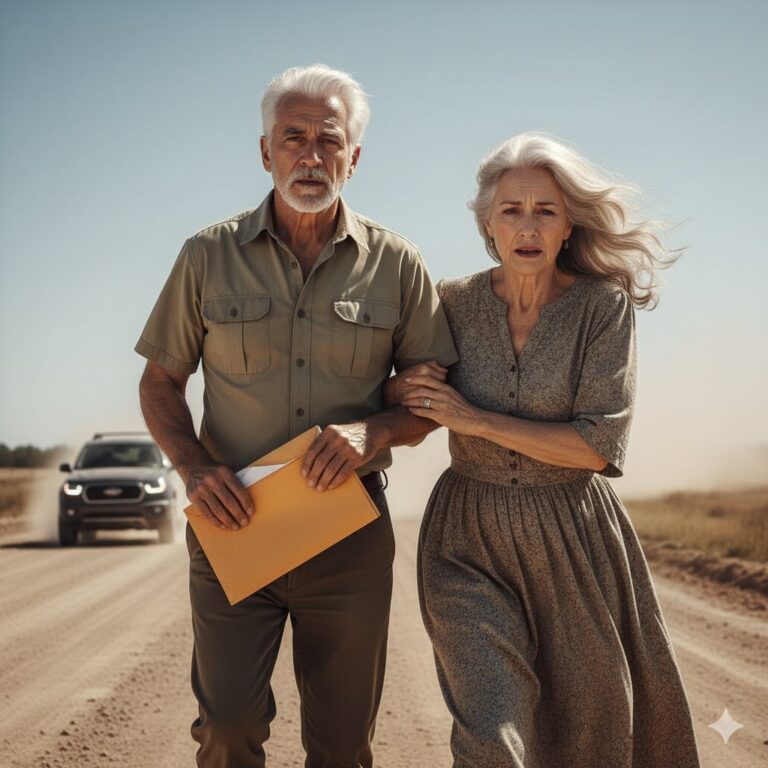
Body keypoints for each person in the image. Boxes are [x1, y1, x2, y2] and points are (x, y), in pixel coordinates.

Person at [135, 64, 457, 768]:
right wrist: (193, 467)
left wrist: (375, 431)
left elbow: (428, 396)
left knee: (342, 746)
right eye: (293, 138)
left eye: (328, 140)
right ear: (264, 151)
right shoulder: (206, 256)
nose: (311, 156)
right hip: (234, 525)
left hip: (346, 535)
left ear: (354, 157)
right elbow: (161, 381)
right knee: (227, 726)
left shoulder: (398, 264)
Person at [384, 133, 701, 767]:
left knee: (589, 732)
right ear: (487, 225)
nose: (527, 226)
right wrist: (400, 387)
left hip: (574, 537)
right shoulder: (450, 301)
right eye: (511, 210)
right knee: (491, 727)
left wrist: (475, 418)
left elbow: (597, 443)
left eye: (545, 210)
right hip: (466, 541)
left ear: (567, 227)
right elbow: (401, 391)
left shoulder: (601, 308)